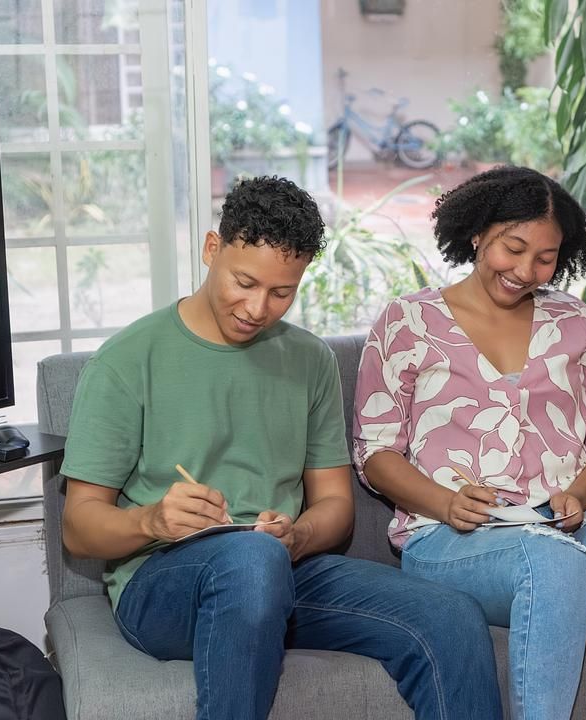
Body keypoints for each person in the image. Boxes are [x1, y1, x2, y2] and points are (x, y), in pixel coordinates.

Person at [59, 176, 503, 720]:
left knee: (451, 616)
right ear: (212, 249)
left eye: (281, 293)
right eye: (244, 282)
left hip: (282, 571)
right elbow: (78, 528)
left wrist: (298, 537)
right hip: (161, 584)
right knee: (251, 560)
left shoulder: (309, 360)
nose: (256, 308)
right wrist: (151, 520)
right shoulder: (127, 361)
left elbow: (335, 507)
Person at [352, 166, 586, 720]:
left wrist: (579, 495)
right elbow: (375, 452)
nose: (525, 271)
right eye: (513, 248)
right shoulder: (407, 321)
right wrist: (444, 502)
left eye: (545, 258)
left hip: (564, 525)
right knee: (552, 563)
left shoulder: (579, 324)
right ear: (477, 234)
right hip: (449, 536)